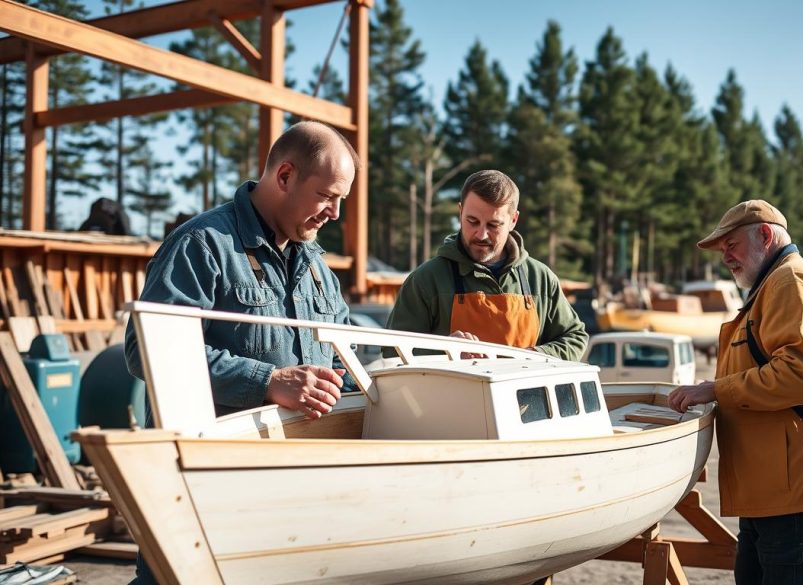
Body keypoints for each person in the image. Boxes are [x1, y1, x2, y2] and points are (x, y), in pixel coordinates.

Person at [123, 121, 361, 583]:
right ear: (285, 176)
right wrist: (267, 381)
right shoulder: (203, 245)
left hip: (286, 489)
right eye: (327, 196)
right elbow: (144, 350)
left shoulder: (317, 267)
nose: (334, 213)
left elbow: (345, 360)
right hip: (200, 484)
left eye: (341, 201)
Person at [667, 200, 803, 584]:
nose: (726, 256)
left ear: (766, 236)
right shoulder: (772, 287)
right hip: (773, 490)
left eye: (731, 245)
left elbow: (800, 375)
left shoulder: (793, 283)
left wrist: (714, 389)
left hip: (795, 493)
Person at [387, 169, 588, 361]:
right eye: (472, 221)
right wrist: (446, 351)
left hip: (524, 397)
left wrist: (533, 357)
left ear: (513, 220)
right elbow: (392, 350)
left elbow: (575, 338)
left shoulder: (541, 279)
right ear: (460, 212)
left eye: (493, 225)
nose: (481, 234)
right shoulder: (426, 280)